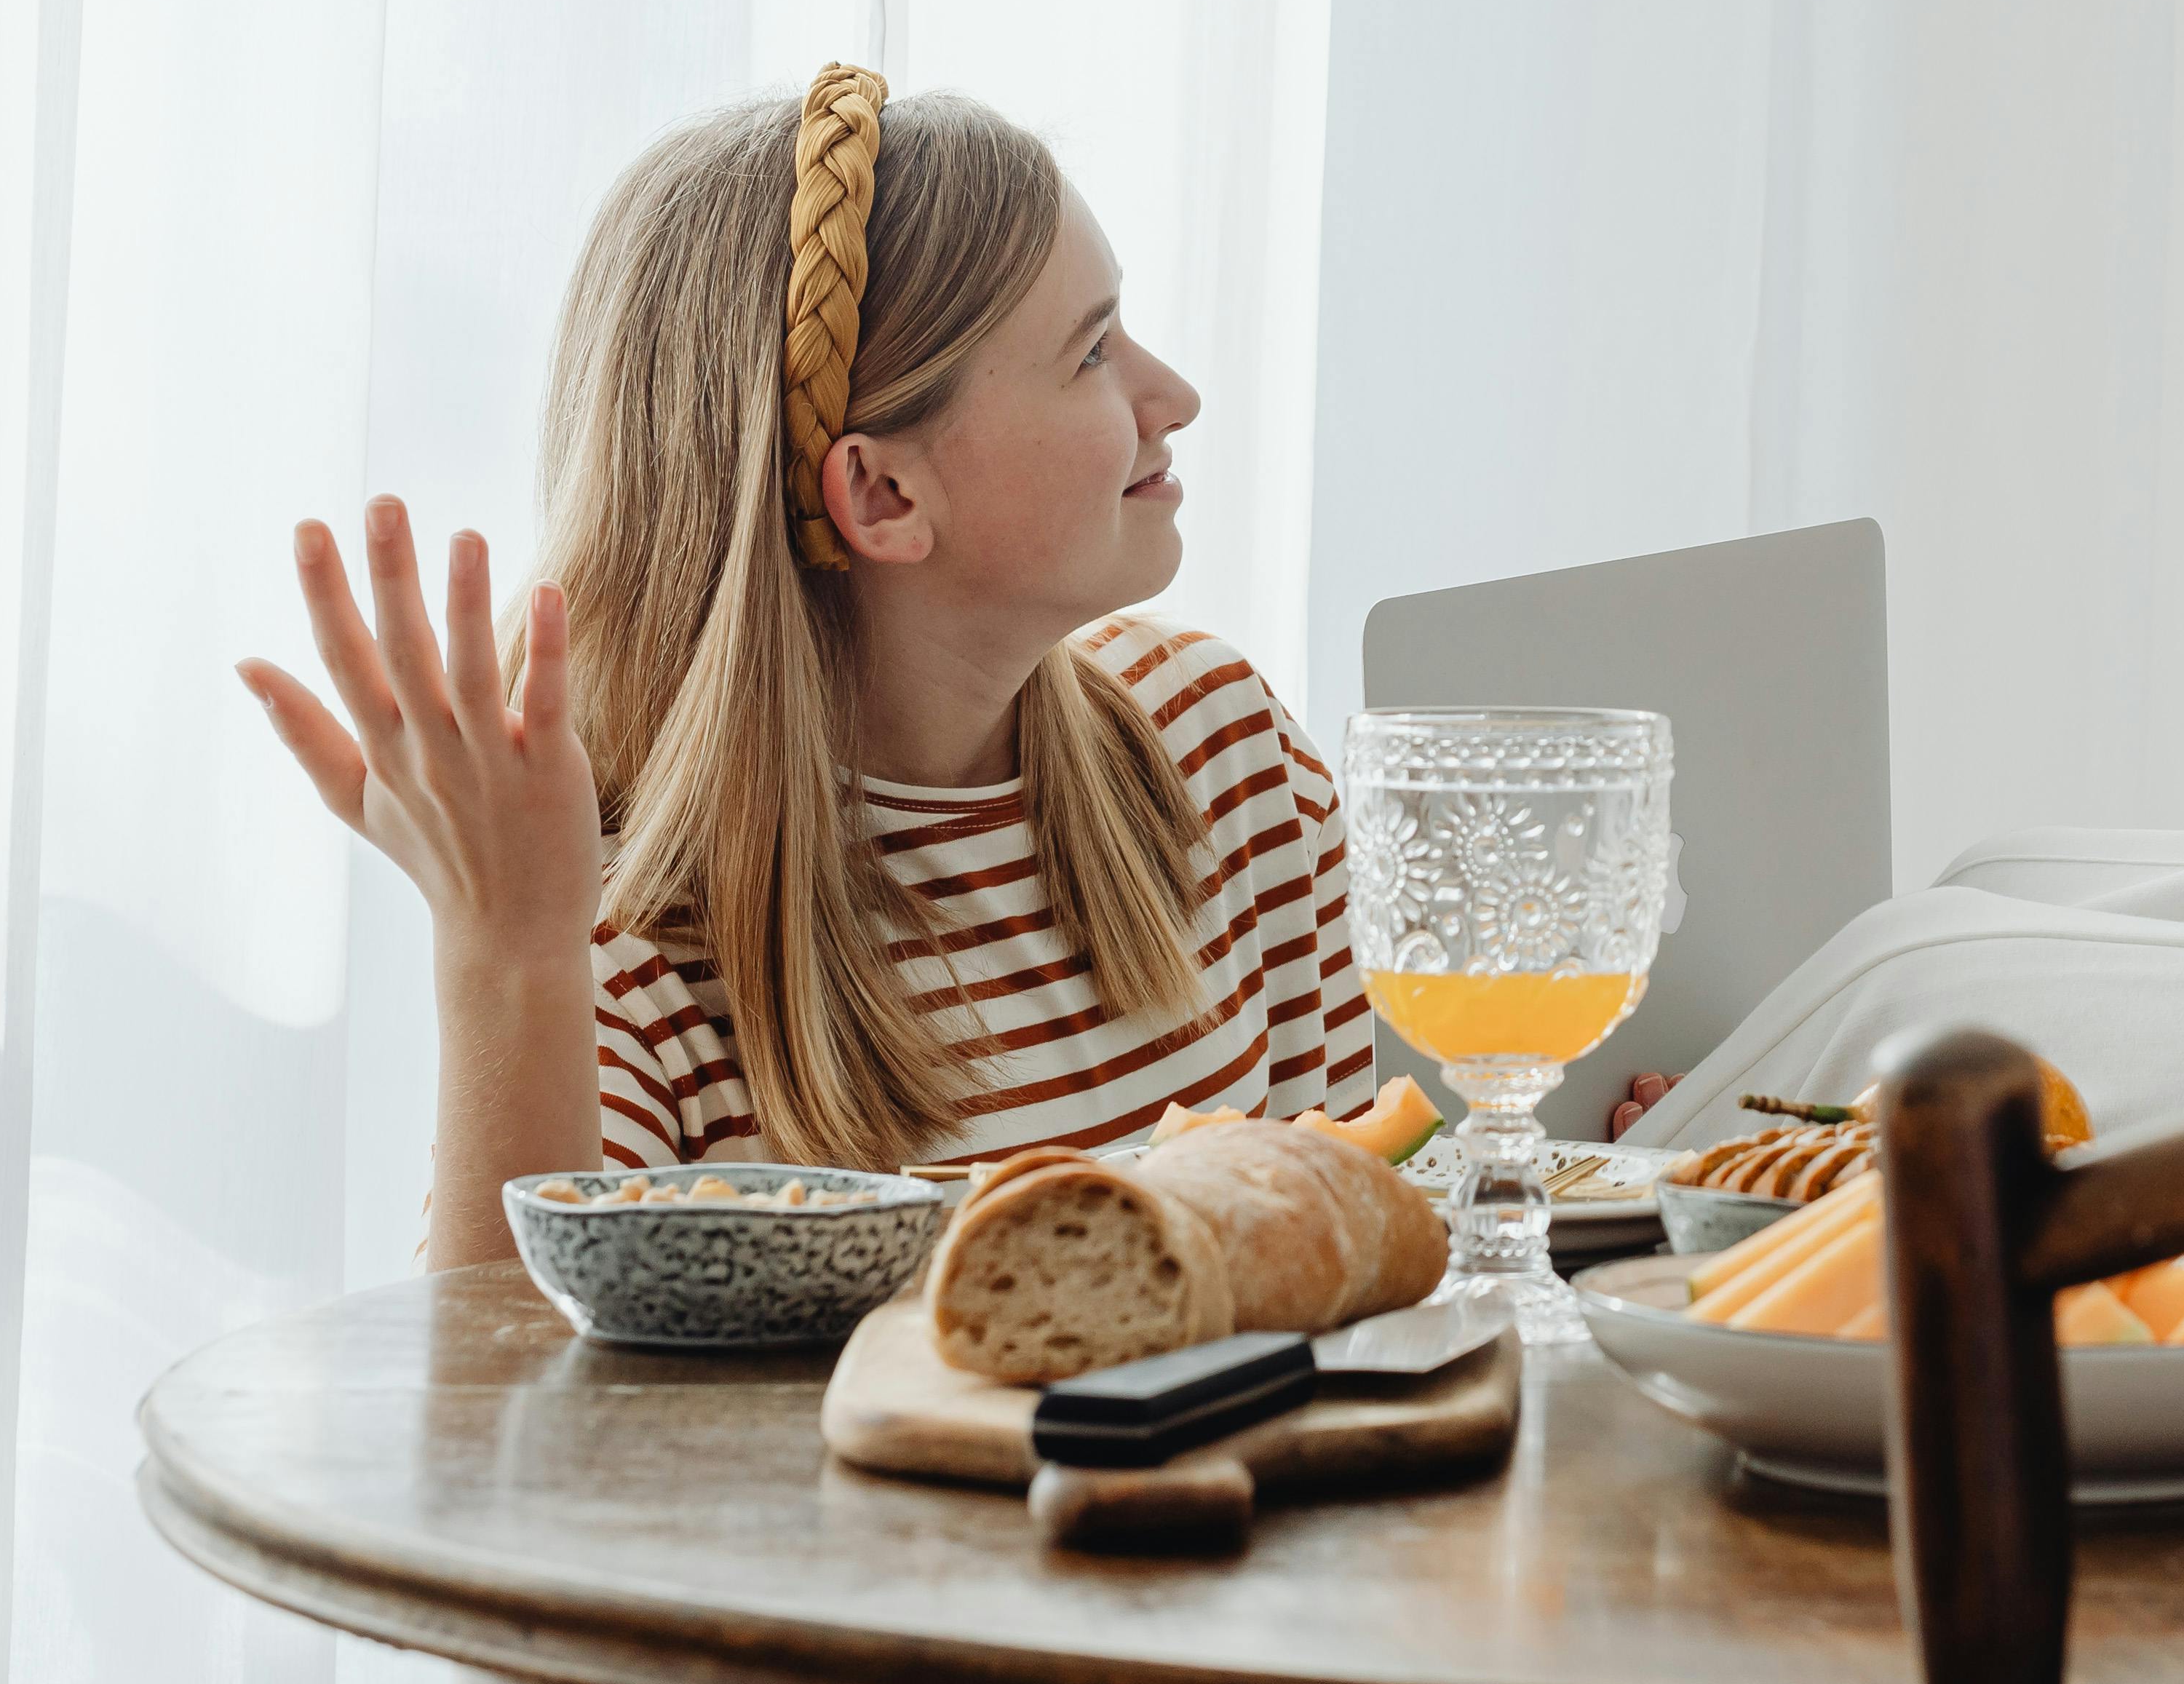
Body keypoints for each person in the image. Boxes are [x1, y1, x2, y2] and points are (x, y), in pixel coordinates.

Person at [237, 65, 1371, 1264]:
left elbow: (1373, 1266)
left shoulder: (1223, 750)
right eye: (1093, 353)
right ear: (883, 492)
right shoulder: (625, 961)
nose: (1175, 396)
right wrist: (506, 955)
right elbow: (496, 1437)